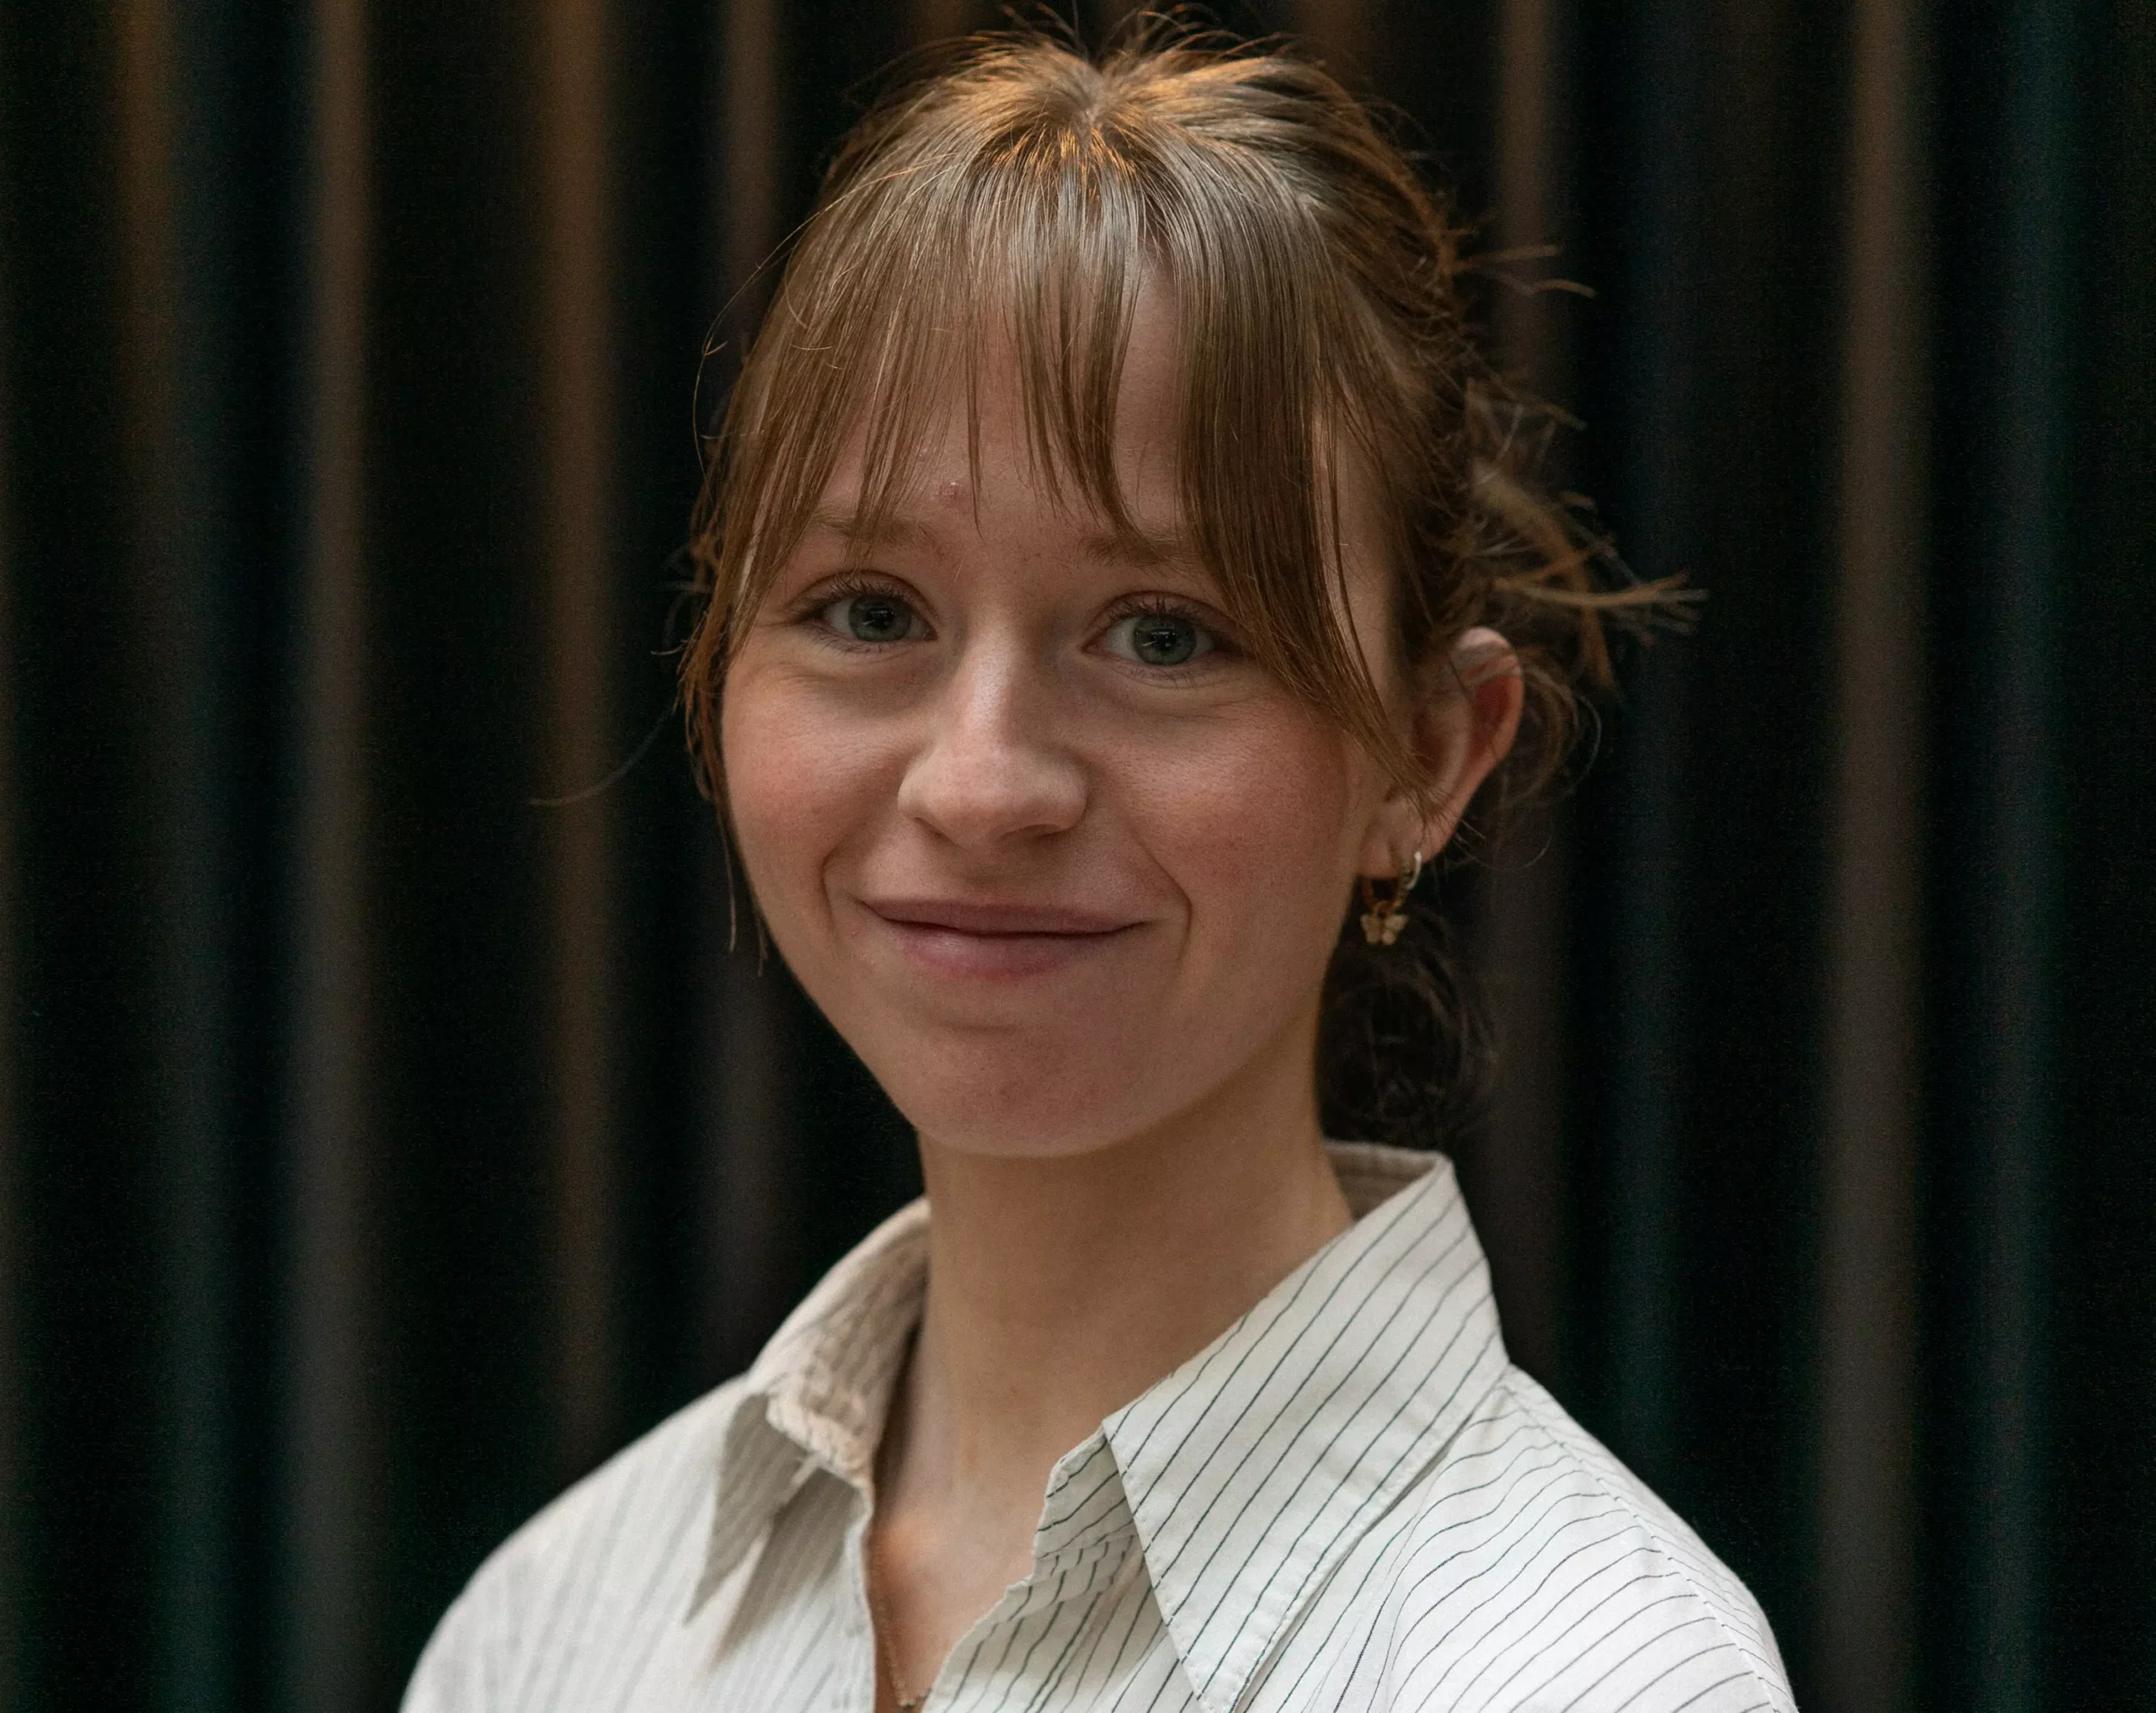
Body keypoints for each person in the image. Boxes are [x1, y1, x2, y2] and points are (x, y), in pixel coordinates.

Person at [405, 25, 1792, 1713]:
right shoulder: (552, 1632)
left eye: (1164, 634)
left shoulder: (1587, 1675)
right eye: (870, 612)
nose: (982, 784)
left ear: (1429, 753)